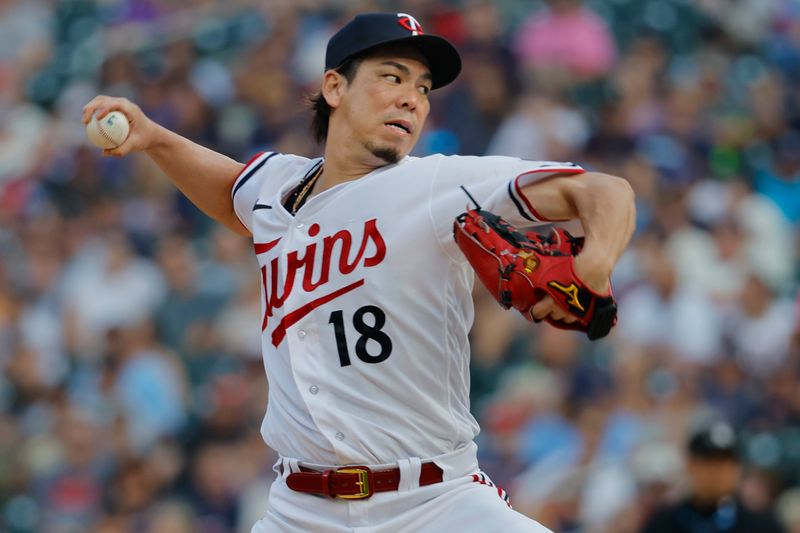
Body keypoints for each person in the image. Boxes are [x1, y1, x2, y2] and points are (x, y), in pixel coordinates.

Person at [83, 12, 635, 532]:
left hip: (435, 503)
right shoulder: (276, 185)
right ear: (334, 88)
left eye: (422, 88)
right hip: (300, 510)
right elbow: (234, 197)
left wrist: (594, 263)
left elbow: (603, 191)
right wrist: (154, 137)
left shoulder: (436, 185)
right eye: (392, 77)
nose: (411, 99)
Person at [640, 420, 785, 533]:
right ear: (690, 465)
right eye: (709, 462)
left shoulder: (764, 527)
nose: (717, 472)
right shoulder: (661, 525)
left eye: (725, 463)